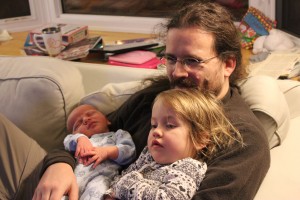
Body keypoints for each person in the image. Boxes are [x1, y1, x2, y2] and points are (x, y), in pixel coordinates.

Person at [0, 2, 270, 200]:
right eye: (172, 59)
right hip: (67, 183)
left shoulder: (241, 137)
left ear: (228, 64)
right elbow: (97, 137)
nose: (177, 73)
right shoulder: (154, 97)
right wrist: (58, 165)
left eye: (192, 61)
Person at [103, 88, 243, 199]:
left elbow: (168, 197)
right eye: (154, 124)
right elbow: (119, 180)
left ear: (200, 138)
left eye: (169, 125)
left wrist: (125, 185)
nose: (156, 131)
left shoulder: (188, 168)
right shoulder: (147, 155)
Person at [62, 104, 135, 200]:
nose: (85, 120)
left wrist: (107, 152)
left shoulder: (117, 135)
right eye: (78, 124)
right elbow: (67, 140)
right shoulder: (77, 142)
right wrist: (80, 138)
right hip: (72, 185)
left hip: (100, 179)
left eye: (90, 114)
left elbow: (129, 151)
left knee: (97, 190)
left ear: (107, 120)